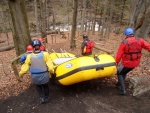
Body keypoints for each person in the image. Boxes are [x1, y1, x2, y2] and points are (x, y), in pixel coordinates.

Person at [116, 28, 150, 95]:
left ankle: (123, 90)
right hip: (135, 63)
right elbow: (148, 47)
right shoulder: (140, 40)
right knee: (124, 72)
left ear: (126, 34)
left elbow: (119, 54)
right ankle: (119, 84)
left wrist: (116, 62)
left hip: (127, 63)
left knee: (119, 73)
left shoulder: (125, 42)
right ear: (132, 33)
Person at [19, 39, 54, 104]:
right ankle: (46, 97)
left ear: (33, 47)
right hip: (44, 75)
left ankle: (41, 98)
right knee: (45, 86)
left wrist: (21, 74)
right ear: (40, 46)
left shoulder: (29, 56)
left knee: (38, 86)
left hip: (35, 76)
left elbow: (25, 66)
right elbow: (50, 65)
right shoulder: (45, 54)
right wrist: (52, 71)